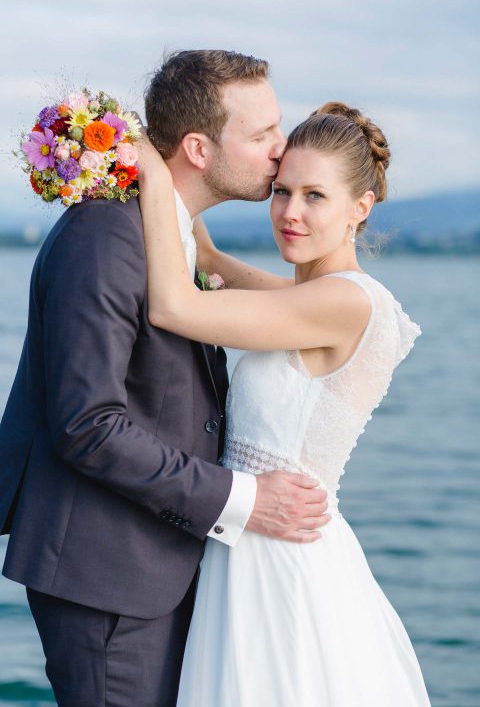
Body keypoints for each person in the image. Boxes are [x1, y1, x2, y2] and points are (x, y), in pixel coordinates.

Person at [0, 51, 331, 707]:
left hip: (164, 563)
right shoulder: (105, 235)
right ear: (198, 149)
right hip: (106, 579)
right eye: (262, 134)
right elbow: (86, 425)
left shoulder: (173, 234)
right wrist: (245, 499)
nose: (280, 149)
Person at [137, 101, 432, 706]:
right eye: (281, 191)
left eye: (315, 196)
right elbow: (212, 265)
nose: (290, 213)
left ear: (360, 208)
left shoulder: (344, 304)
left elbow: (174, 306)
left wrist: (148, 171)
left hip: (281, 559)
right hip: (248, 542)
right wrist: (180, 163)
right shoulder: (310, 298)